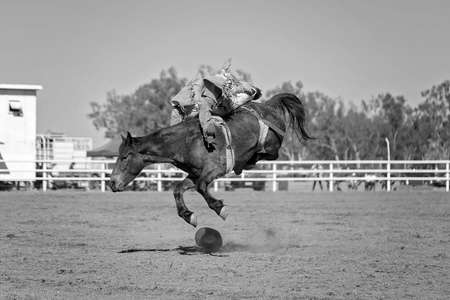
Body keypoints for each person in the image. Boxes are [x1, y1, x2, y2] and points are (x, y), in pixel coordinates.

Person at [170, 60, 261, 148]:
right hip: (186, 111)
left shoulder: (213, 90)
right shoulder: (206, 90)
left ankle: (208, 134)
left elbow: (205, 105)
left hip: (194, 108)